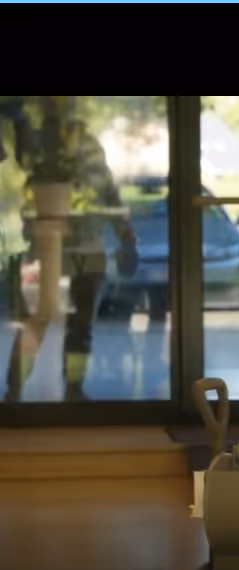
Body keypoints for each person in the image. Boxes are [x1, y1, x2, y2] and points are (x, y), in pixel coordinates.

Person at [4, 119, 138, 402]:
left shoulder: (85, 153)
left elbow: (110, 194)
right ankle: (16, 389)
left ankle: (71, 388)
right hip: (50, 250)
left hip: (85, 251)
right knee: (40, 323)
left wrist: (127, 237)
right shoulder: (39, 154)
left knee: (77, 326)